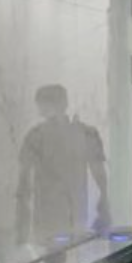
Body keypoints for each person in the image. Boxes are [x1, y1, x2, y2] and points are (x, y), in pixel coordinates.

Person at [16, 84, 112, 251]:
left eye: (42, 104)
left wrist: (21, 223)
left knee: (53, 253)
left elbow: (23, 179)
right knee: (71, 252)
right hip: (72, 213)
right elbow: (99, 173)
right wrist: (104, 200)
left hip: (51, 216)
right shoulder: (85, 133)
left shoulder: (36, 136)